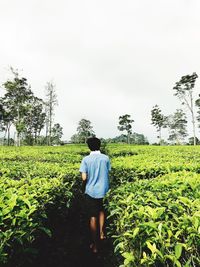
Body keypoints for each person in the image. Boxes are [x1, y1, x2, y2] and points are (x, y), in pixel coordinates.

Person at [79, 137, 111, 253]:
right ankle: (102, 234)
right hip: (104, 190)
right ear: (99, 145)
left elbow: (84, 177)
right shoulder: (106, 158)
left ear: (89, 146)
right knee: (101, 211)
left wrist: (83, 186)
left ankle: (95, 245)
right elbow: (108, 173)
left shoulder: (86, 159)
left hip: (91, 191)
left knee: (93, 216)